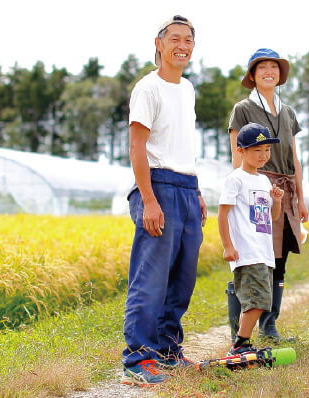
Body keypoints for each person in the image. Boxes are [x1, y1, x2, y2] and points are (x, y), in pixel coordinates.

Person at [121, 15, 207, 386]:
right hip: (158, 186)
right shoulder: (147, 88)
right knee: (151, 278)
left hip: (187, 188)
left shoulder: (187, 89)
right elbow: (137, 146)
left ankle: (169, 352)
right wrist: (149, 199)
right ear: (159, 44)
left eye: (189, 40)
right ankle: (137, 360)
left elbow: (183, 144)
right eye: (175, 38)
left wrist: (197, 190)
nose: (183, 46)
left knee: (182, 280)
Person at [226, 48, 308, 343]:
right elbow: (238, 154)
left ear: (280, 75)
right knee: (251, 256)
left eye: (274, 67)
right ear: (252, 75)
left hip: (284, 191)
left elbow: (294, 158)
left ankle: (269, 325)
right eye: (262, 68)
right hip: (257, 189)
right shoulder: (243, 109)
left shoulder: (288, 113)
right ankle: (239, 329)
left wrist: (300, 196)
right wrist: (243, 193)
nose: (269, 71)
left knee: (279, 260)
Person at [218, 122, 284, 354]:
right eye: (257, 150)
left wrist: (276, 200)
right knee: (256, 301)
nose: (263, 155)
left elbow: (272, 217)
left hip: (263, 251)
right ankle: (239, 343)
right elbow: (223, 213)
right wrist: (227, 245)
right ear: (241, 151)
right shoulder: (235, 179)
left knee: (262, 300)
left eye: (267, 150)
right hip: (246, 251)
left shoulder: (264, 181)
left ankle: (243, 341)